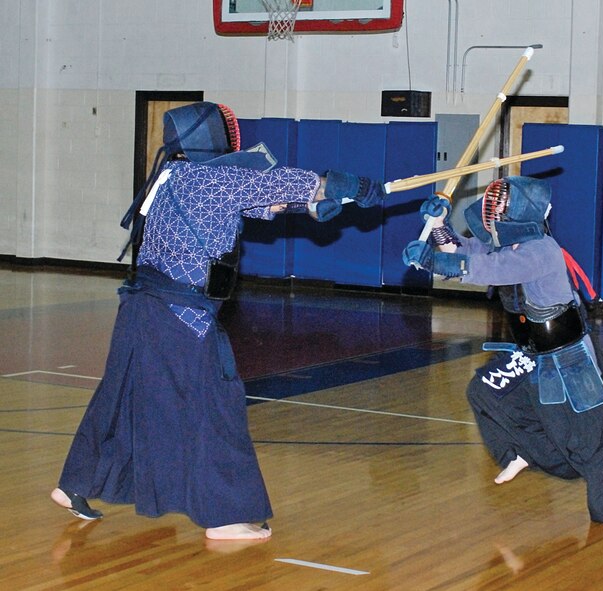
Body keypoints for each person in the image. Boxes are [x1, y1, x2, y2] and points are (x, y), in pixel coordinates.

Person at [51, 101, 386, 540]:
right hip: (180, 316)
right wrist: (350, 185)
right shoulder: (215, 177)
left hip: (139, 309)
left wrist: (310, 206)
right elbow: (290, 182)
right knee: (215, 405)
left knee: (120, 397)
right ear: (212, 136)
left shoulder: (174, 176)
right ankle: (225, 516)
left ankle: (72, 484)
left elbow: (261, 199)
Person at [403, 176, 603, 525]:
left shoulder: (541, 250)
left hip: (571, 358)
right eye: (494, 207)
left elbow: (486, 269)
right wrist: (440, 225)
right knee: (487, 390)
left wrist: (432, 264)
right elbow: (462, 250)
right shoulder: (504, 245)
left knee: (596, 436)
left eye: (501, 207)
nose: (494, 213)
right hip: (534, 353)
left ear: (521, 212)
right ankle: (523, 451)